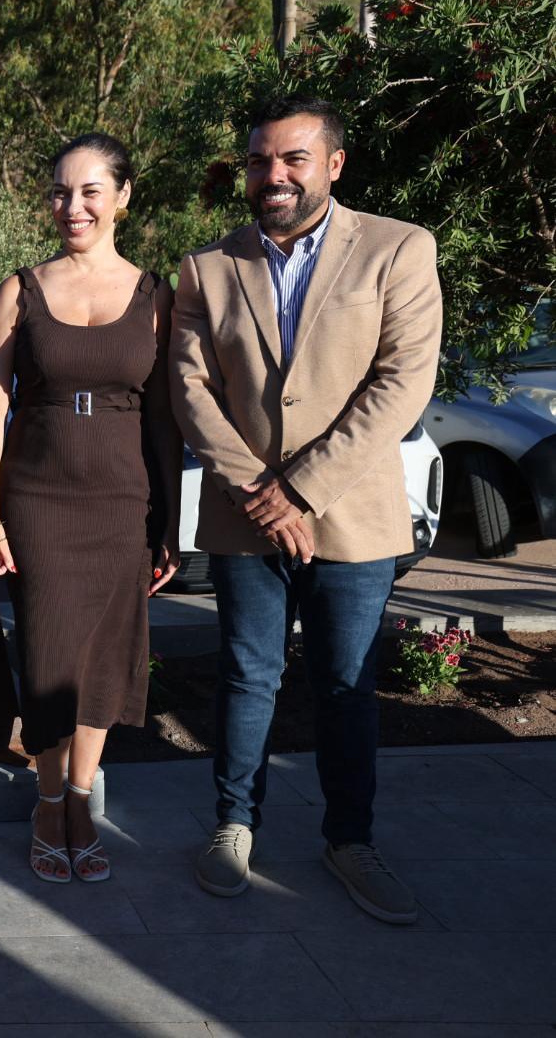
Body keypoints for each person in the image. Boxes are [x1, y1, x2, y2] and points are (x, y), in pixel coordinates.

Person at [170, 95, 443, 924]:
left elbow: (402, 382)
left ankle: (350, 841)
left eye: (292, 158)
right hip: (245, 517)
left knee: (346, 687)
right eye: (260, 160)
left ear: (334, 163)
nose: (274, 175)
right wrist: (263, 493)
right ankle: (233, 825)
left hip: (351, 513)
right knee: (247, 676)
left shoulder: (398, 248)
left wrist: (302, 490)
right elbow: (189, 390)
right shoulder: (206, 268)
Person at [0, 133, 182, 884]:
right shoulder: (20, 290)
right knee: (51, 654)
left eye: (91, 191)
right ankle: (47, 799)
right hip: (39, 502)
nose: (73, 206)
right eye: (62, 191)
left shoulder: (157, 295)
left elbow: (162, 419)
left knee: (103, 663)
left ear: (123, 197)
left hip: (124, 506)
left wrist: (170, 525)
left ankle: (82, 801)